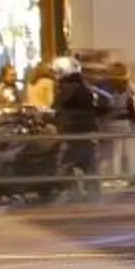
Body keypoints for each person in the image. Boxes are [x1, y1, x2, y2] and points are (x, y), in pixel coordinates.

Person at [49, 53, 103, 193]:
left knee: (64, 167)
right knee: (90, 167)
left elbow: (58, 108)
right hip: (87, 132)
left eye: (57, 72)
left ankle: (73, 195)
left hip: (72, 133)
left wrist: (50, 115)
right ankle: (93, 196)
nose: (55, 76)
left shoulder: (68, 89)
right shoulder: (83, 86)